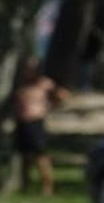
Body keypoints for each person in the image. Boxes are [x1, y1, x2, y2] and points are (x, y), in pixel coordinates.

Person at [13, 57, 68, 196]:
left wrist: (49, 106)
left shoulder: (44, 84)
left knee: (41, 156)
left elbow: (63, 95)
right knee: (25, 157)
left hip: (36, 122)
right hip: (22, 122)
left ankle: (48, 186)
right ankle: (25, 186)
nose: (28, 71)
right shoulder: (22, 84)